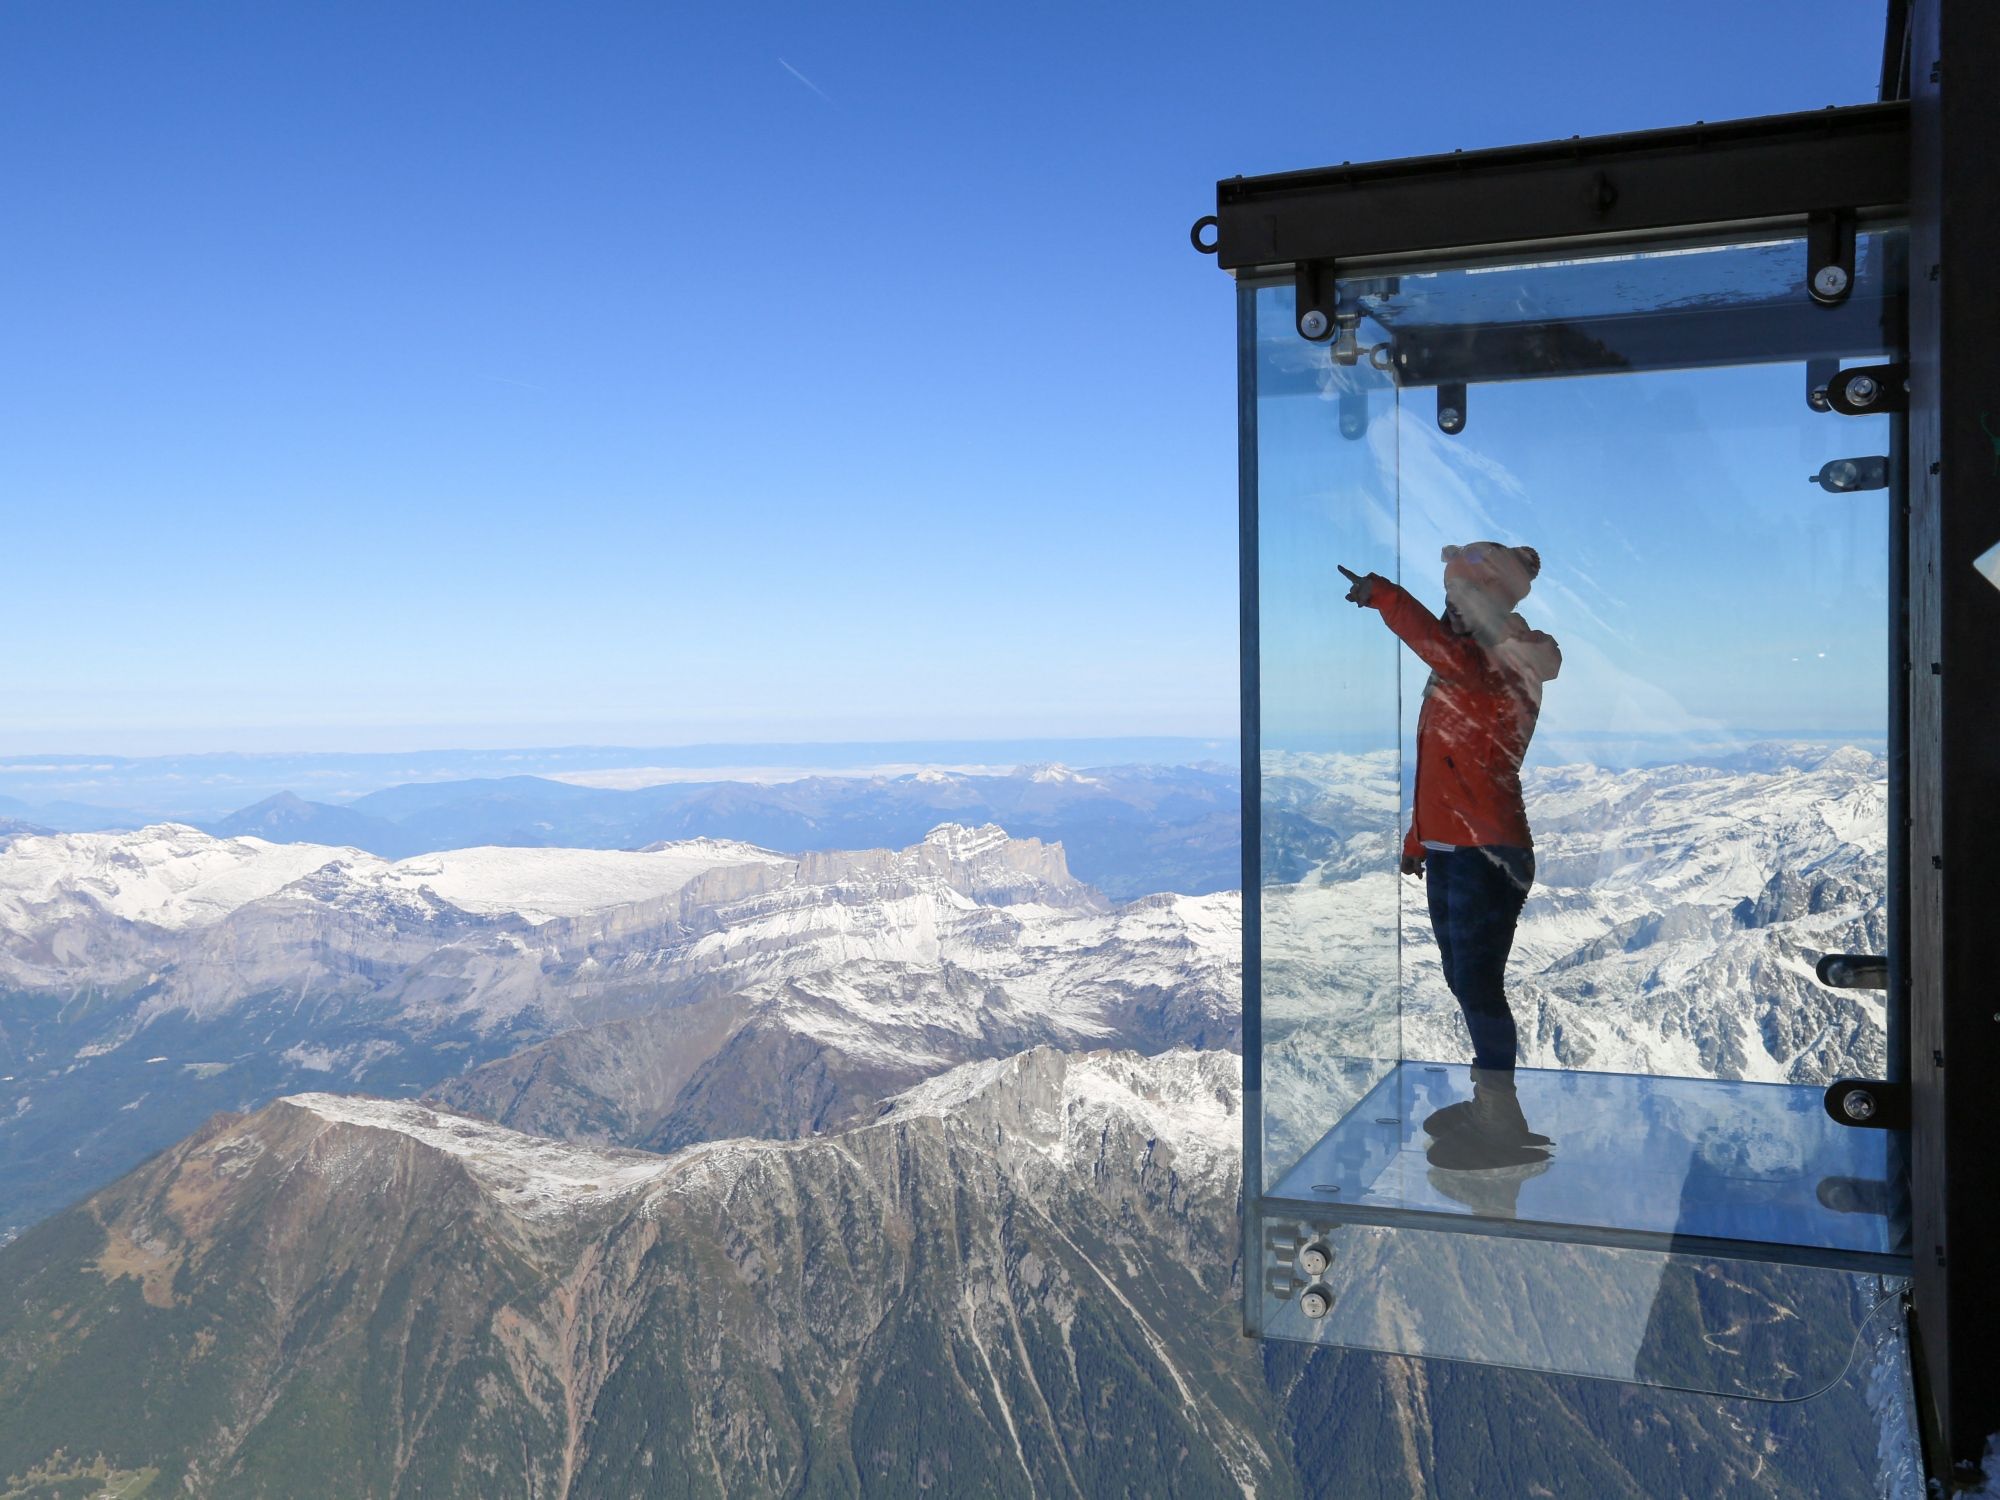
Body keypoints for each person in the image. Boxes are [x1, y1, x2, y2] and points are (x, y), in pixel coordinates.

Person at [1338, 543, 1560, 1170]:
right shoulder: (1472, 662)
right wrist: (1419, 841)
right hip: (1455, 846)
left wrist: (1384, 595)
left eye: (1463, 598)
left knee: (1477, 983)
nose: (1451, 610)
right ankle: (1490, 1105)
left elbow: (1445, 652)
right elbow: (1445, 766)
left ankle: (1500, 1113)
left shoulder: (1499, 662)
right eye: (1449, 599)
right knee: (1465, 980)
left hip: (1485, 850)